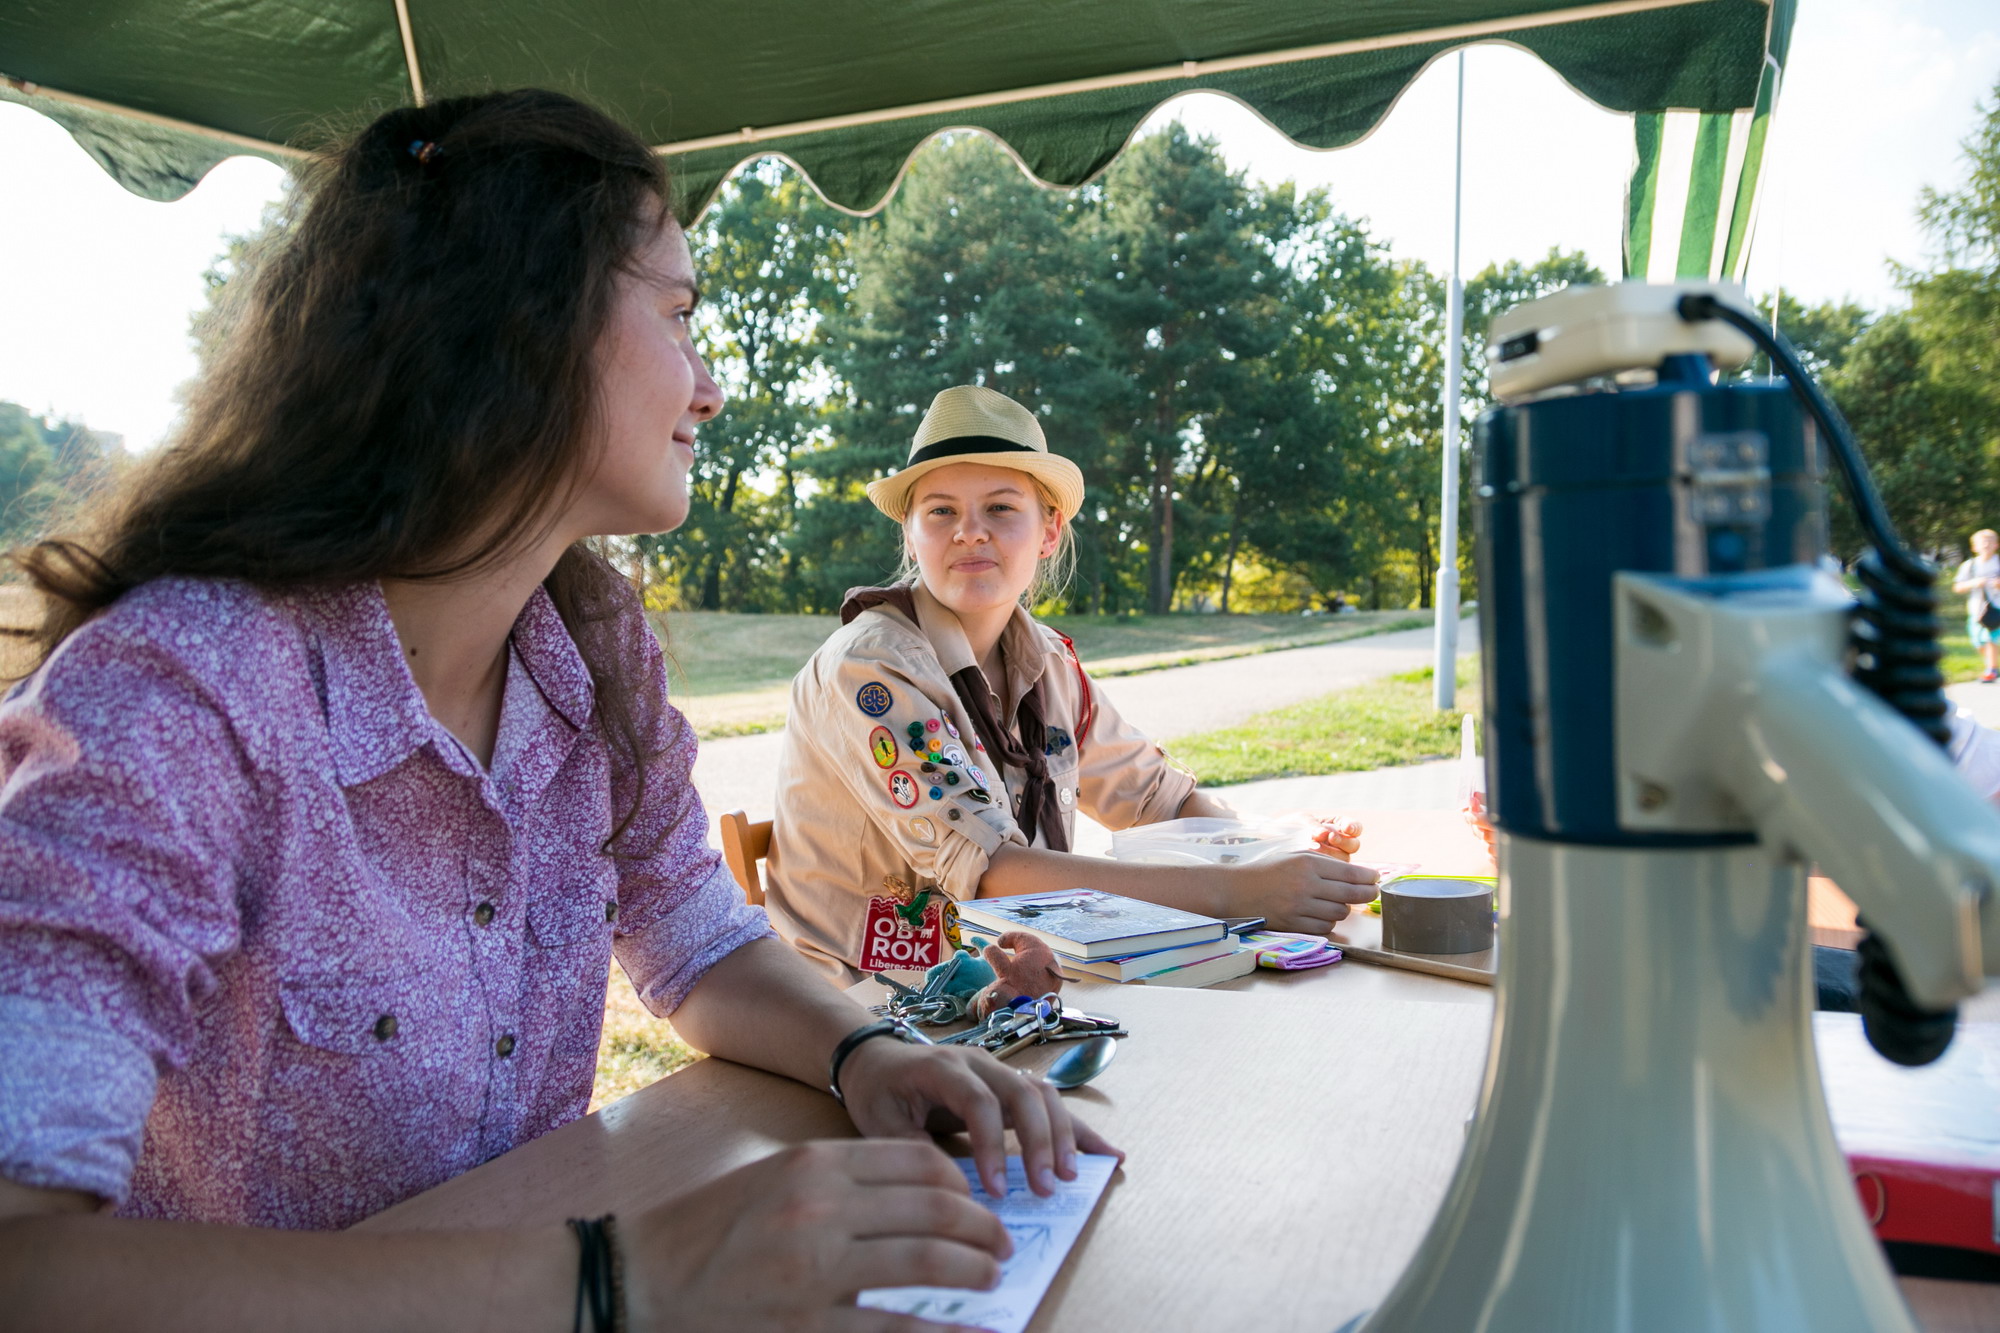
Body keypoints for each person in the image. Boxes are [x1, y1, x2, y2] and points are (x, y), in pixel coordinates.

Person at [0, 91, 1116, 1332]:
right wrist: (617, 1277)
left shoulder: (588, 652)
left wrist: (869, 1054)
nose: (710, 388)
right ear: (518, 321)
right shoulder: (179, 696)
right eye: (678, 316)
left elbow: (691, 934)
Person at [763, 385, 1378, 984]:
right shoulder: (870, 669)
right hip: (868, 998)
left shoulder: (1048, 663)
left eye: (1001, 508)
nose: (969, 531)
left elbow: (1158, 801)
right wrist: (1236, 892)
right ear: (911, 533)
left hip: (1015, 977)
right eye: (941, 510)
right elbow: (990, 873)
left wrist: (1269, 845)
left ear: (1049, 530)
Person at [1953, 528, 2000, 683]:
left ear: (1996, 545)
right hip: (1976, 609)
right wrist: (1974, 583)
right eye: (1982, 542)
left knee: (1991, 639)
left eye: (1990, 542)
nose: (1986, 545)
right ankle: (1993, 665)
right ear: (1974, 547)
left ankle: (1991, 670)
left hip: (1997, 607)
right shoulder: (1970, 565)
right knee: (1978, 642)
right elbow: (1957, 587)